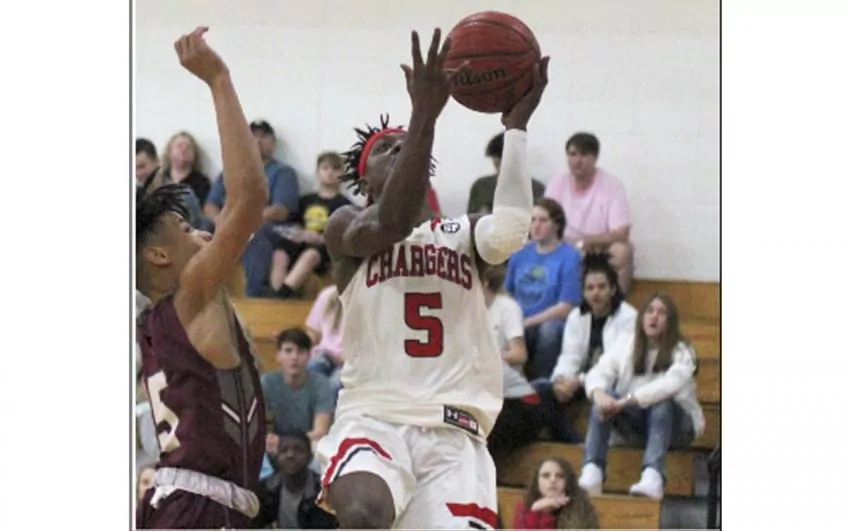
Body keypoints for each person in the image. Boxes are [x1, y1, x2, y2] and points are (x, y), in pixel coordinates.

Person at [313, 28, 548, 529]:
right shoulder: (347, 227)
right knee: (363, 512)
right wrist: (424, 115)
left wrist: (516, 129)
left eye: (406, 144)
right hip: (375, 415)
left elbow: (510, 230)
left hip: (454, 431)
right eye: (385, 149)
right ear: (365, 179)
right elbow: (391, 223)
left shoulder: (462, 234)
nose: (399, 148)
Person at [135, 27, 268, 529]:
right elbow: (248, 198)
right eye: (188, 229)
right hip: (199, 508)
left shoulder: (154, 320)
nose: (206, 232)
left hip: (184, 504)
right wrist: (218, 78)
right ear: (158, 256)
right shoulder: (191, 295)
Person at [577, 293, 704, 501]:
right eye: (649, 311)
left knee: (662, 401)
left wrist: (625, 401)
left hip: (678, 430)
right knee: (604, 398)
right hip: (638, 425)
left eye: (661, 313)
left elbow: (668, 386)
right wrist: (599, 395)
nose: (654, 317)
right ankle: (593, 470)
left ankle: (653, 475)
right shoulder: (626, 343)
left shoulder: (683, 351)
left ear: (670, 321)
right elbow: (600, 371)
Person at [512, 457, 598, 530]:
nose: (553, 480)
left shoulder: (581, 509)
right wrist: (536, 510)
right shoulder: (524, 509)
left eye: (560, 476)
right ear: (536, 483)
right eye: (546, 475)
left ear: (568, 482)